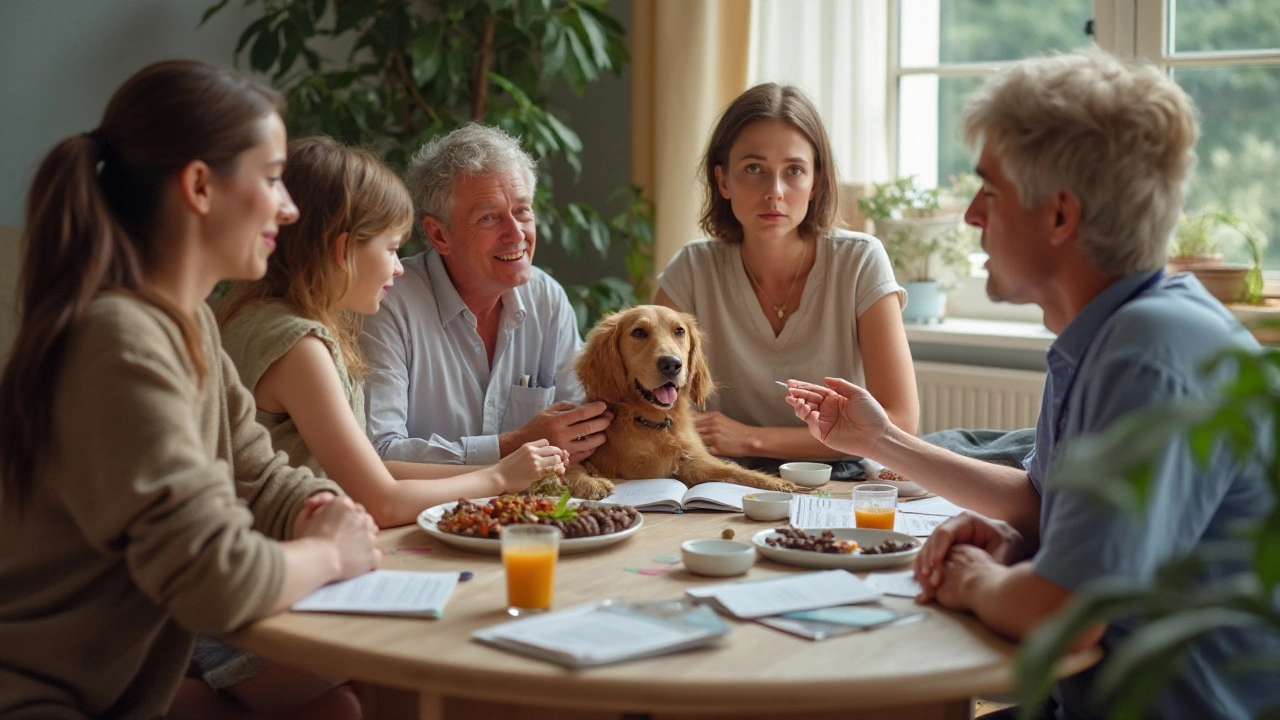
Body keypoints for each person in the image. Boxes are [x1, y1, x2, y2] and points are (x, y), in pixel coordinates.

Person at [786, 49, 1279, 720]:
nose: (970, 216)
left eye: (989, 190)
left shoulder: (1146, 354)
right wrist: (887, 444)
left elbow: (1064, 615)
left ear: (1059, 216)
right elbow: (1042, 503)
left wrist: (979, 581)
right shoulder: (1113, 330)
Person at [0, 60, 381, 720]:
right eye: (271, 180)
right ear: (201, 187)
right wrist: (328, 551)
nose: (287, 208)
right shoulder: (117, 340)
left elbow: (257, 475)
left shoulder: (189, 324)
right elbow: (215, 580)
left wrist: (318, 503)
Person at [218, 135, 568, 529]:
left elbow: (382, 478)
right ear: (343, 251)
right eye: (391, 249)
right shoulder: (301, 347)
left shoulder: (265, 319)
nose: (400, 268)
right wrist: (499, 476)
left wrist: (501, 471)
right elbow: (381, 500)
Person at [655, 83, 918, 466]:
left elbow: (900, 422)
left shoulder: (860, 260)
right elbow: (643, 403)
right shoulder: (691, 270)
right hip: (724, 478)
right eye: (754, 169)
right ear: (723, 181)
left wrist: (751, 440)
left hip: (839, 478)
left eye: (794, 170)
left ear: (816, 183)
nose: (774, 191)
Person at [361, 123, 611, 467]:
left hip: (534, 514)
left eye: (522, 210)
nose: (516, 234)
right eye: (489, 218)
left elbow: (585, 425)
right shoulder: (388, 304)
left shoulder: (547, 299)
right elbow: (379, 453)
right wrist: (512, 446)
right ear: (439, 235)